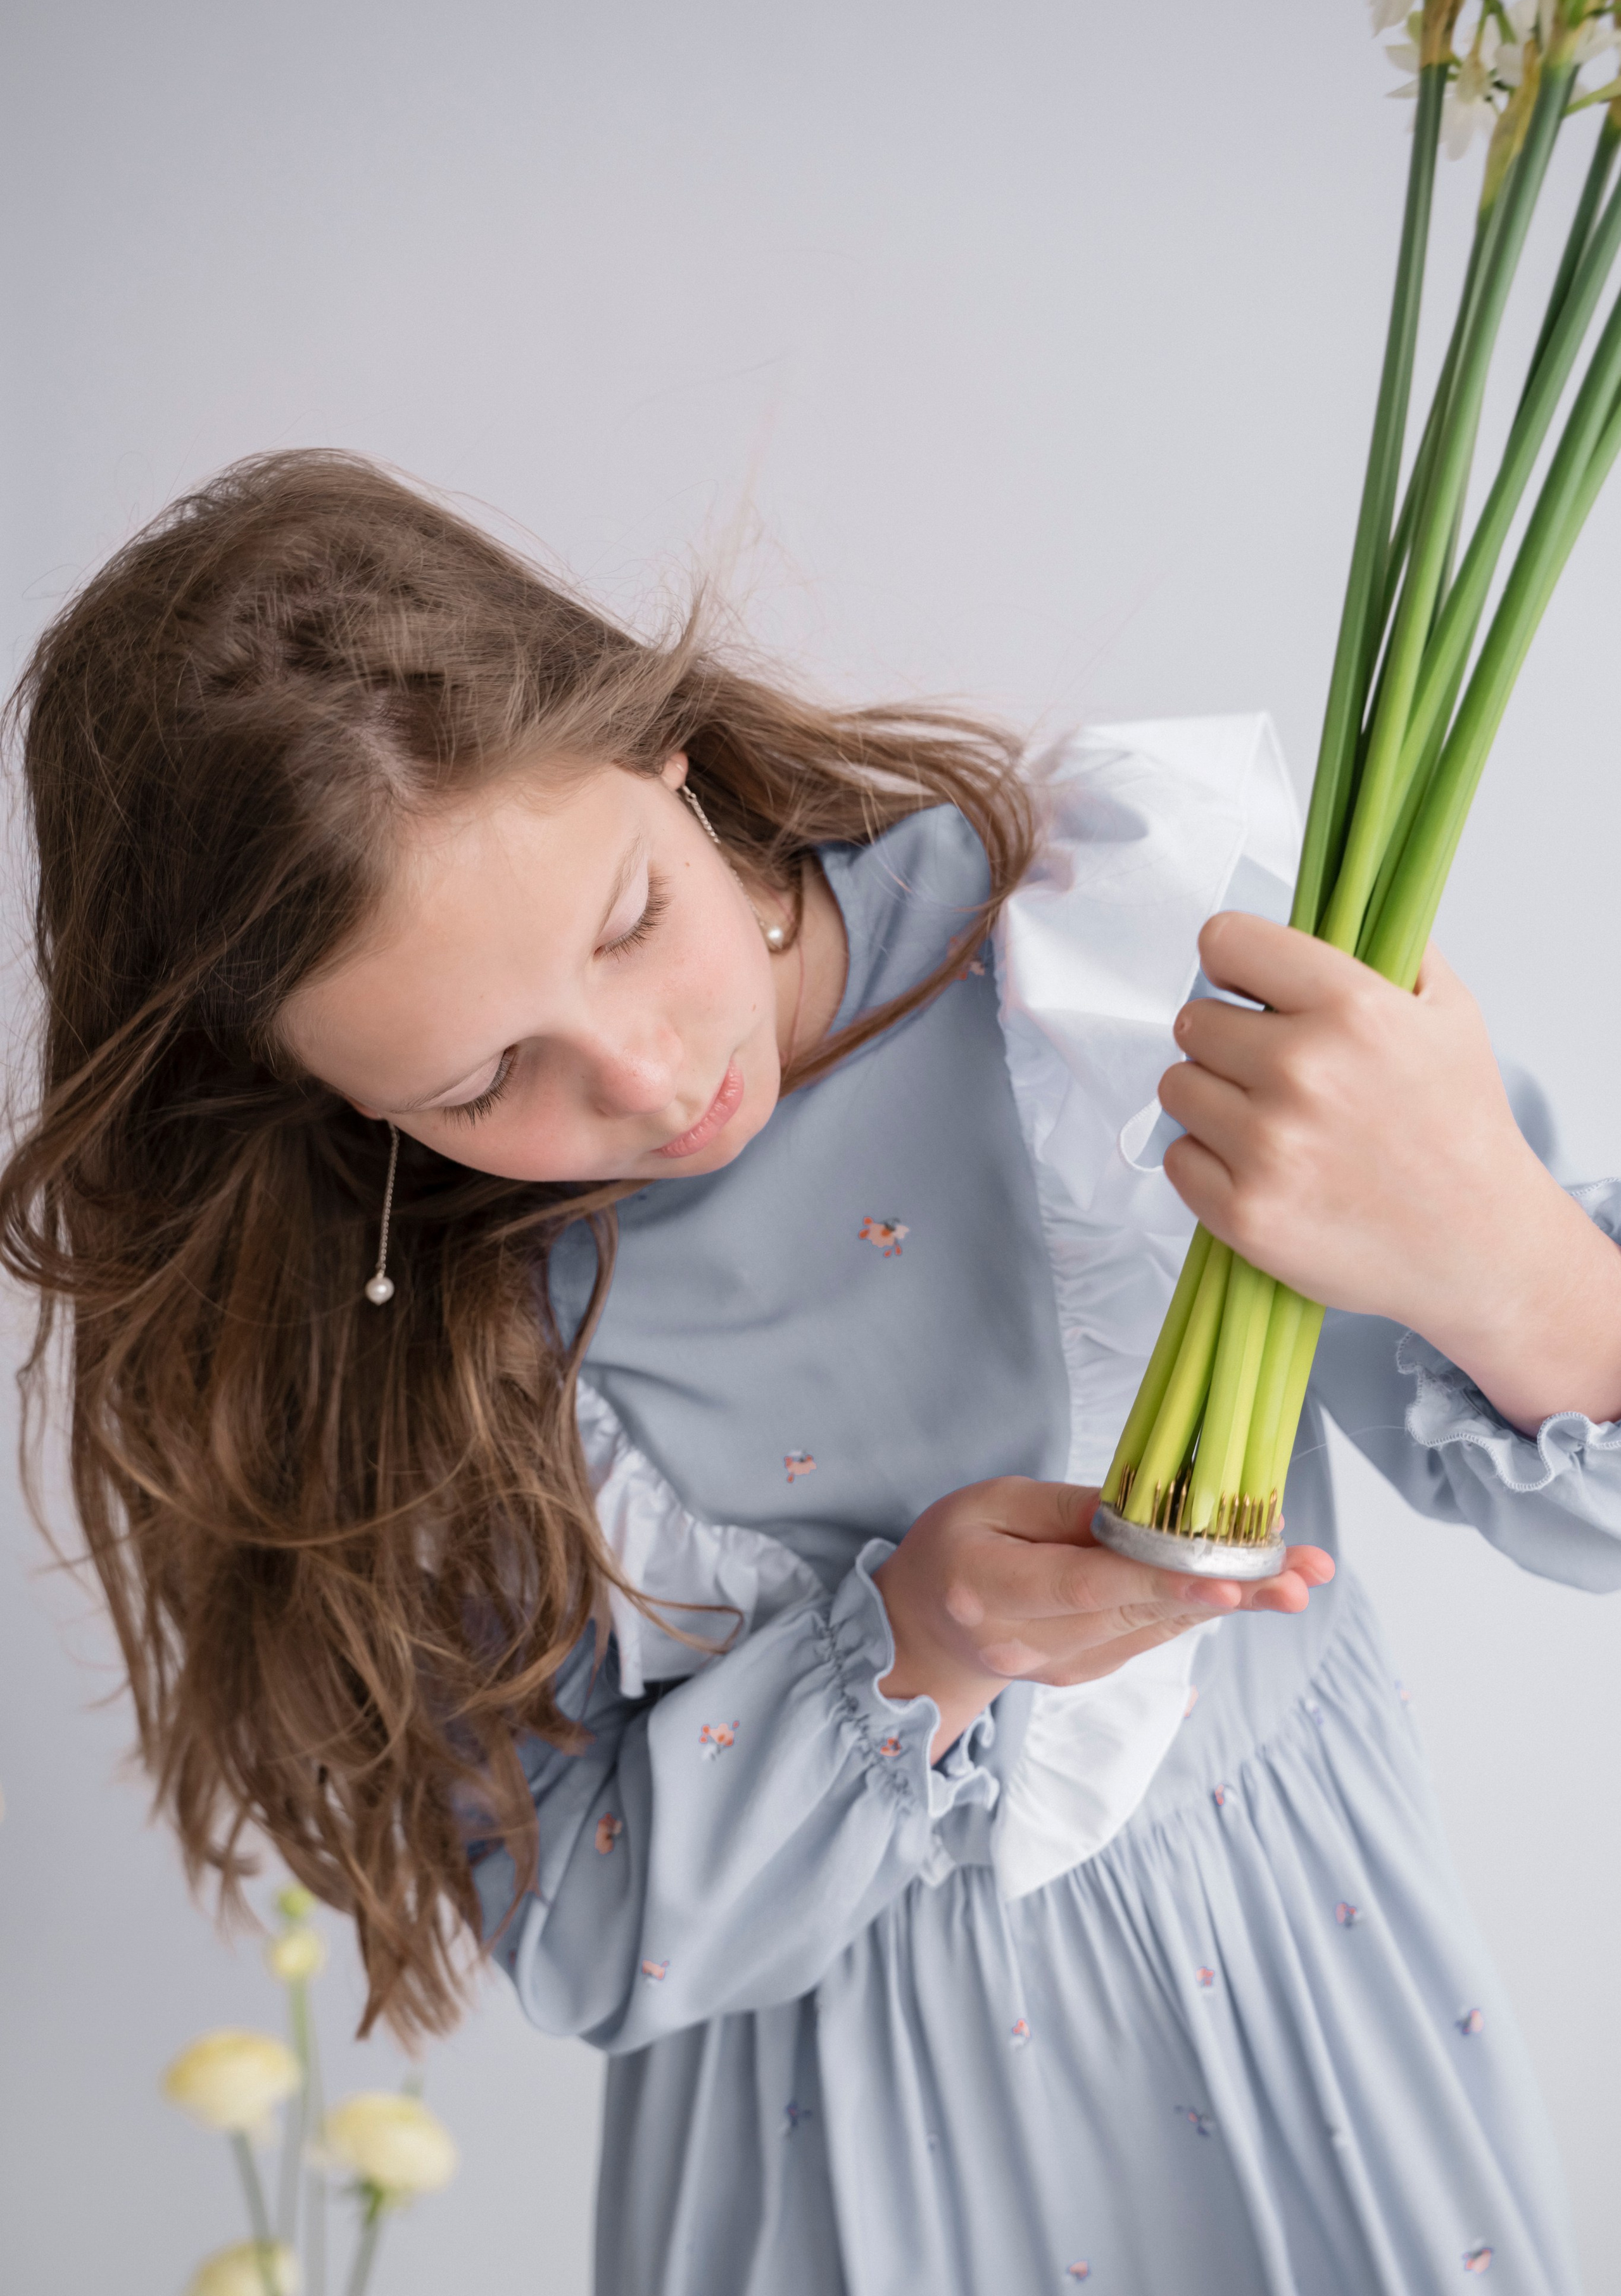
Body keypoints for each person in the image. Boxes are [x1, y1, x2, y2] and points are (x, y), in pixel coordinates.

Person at [8, 449, 1621, 2296]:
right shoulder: (444, 1344)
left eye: (629, 920)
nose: (636, 1076)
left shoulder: (1098, 964)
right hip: (831, 2173)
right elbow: (594, 1943)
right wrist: (917, 1645)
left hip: (1301, 2021)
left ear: (662, 747)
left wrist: (1495, 1237)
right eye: (476, 1084)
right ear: (333, 1102)